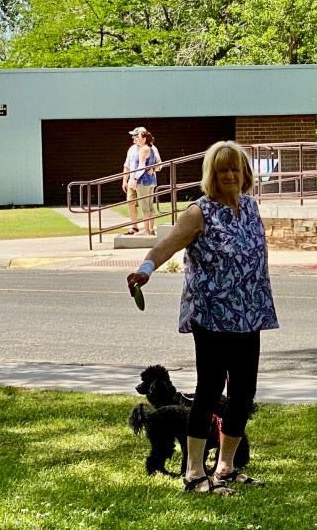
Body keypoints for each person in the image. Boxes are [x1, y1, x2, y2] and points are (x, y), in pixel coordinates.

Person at [126, 141, 278, 495]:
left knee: (243, 392)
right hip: (211, 314)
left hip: (248, 312)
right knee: (209, 390)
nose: (230, 175)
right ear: (211, 174)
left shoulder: (250, 206)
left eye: (235, 169)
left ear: (245, 173)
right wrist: (145, 269)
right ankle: (194, 473)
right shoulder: (200, 212)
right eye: (222, 170)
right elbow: (168, 244)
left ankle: (225, 467)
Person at [136, 130, 157, 235]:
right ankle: (151, 228)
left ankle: (146, 229)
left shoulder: (143, 149)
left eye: (139, 137)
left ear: (144, 139)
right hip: (151, 180)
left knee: (144, 206)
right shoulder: (151, 149)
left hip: (143, 180)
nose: (137, 139)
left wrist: (135, 179)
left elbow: (141, 166)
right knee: (150, 205)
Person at [122, 129, 143, 234]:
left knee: (144, 204)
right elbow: (127, 165)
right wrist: (124, 181)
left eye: (134, 135)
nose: (133, 137)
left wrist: (153, 169)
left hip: (144, 182)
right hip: (132, 182)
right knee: (130, 202)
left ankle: (148, 228)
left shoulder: (150, 148)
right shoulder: (131, 149)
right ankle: (134, 227)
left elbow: (158, 163)